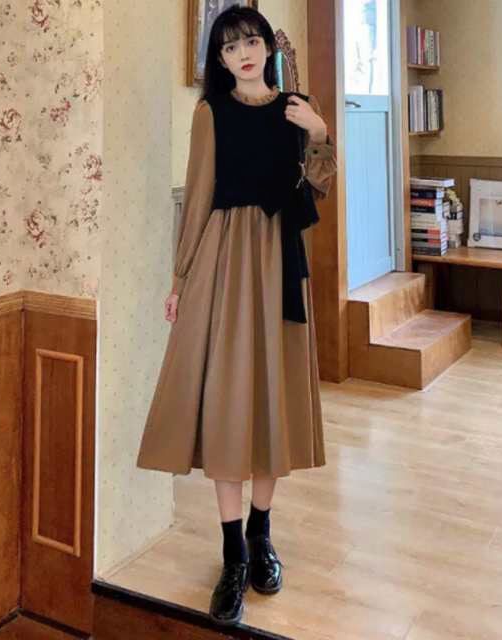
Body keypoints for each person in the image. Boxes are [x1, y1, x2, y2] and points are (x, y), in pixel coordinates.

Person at [136, 4, 337, 627]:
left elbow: (320, 188)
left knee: (272, 399)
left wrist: (320, 131)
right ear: (219, 60)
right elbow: (198, 197)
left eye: (250, 41)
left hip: (280, 264)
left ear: (267, 47)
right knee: (226, 403)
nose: (242, 54)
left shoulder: (297, 108)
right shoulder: (210, 114)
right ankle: (232, 556)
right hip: (224, 263)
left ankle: (260, 534)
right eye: (229, 47)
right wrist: (180, 279)